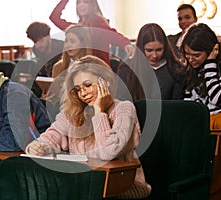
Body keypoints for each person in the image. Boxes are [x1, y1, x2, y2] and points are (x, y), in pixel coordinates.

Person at [26, 55, 151, 199]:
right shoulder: (72, 112)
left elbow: (108, 153)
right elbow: (51, 137)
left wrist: (99, 111)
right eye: (78, 89)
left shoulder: (124, 109)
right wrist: (39, 147)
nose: (83, 93)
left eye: (88, 85)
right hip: (83, 183)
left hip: (122, 186)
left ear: (106, 82)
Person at [180, 23, 221, 198]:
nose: (191, 59)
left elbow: (218, 98)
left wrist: (210, 64)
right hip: (199, 126)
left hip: (220, 123)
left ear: (213, 50)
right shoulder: (191, 72)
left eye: (196, 55)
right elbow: (187, 101)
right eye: (187, 54)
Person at [49, 0, 134, 65]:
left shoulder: (97, 24)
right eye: (79, 2)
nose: (81, 5)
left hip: (98, 72)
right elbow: (54, 17)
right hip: (82, 70)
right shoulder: (77, 28)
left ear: (92, 5)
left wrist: (126, 44)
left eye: (85, 2)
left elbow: (112, 35)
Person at [117, 23, 185, 100]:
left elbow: (178, 104)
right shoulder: (126, 68)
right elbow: (121, 101)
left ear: (165, 47)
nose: (154, 55)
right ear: (141, 48)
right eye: (149, 50)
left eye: (159, 50)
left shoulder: (177, 69)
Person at [46, 24, 92, 106]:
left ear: (82, 43)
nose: (68, 45)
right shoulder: (58, 66)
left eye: (72, 41)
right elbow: (54, 94)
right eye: (66, 41)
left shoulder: (90, 65)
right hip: (60, 107)